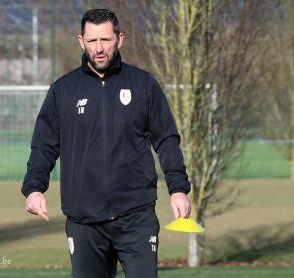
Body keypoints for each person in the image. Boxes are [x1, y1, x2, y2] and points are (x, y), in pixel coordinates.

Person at [21, 8, 191, 278]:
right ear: (81, 41)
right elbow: (44, 146)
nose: (99, 48)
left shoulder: (144, 85)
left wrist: (178, 188)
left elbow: (167, 139)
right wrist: (34, 188)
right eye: (92, 41)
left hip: (136, 217)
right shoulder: (63, 90)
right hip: (84, 222)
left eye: (105, 40)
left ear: (119, 39)